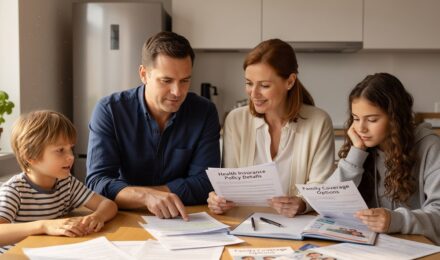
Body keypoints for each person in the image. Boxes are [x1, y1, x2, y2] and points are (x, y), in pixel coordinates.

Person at [86, 31, 221, 220]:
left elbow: (205, 183)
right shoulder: (110, 111)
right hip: (124, 219)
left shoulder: (204, 112)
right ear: (144, 74)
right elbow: (97, 183)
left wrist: (136, 194)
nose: (177, 91)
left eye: (185, 81)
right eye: (166, 81)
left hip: (186, 219)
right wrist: (146, 197)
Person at [207, 39, 335, 217]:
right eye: (249, 83)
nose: (254, 93)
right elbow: (229, 183)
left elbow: (320, 186)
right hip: (242, 225)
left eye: (264, 85)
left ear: (289, 82)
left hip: (295, 227)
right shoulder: (236, 120)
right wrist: (218, 200)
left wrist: (301, 204)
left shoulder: (318, 122)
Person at [328, 72, 440, 245]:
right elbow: (329, 200)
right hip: (373, 247)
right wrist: (356, 153)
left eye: (372, 120)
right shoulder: (364, 147)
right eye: (356, 119)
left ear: (395, 118)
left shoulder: (430, 146)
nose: (361, 128)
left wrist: (395, 220)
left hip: (417, 247)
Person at [0, 110, 117, 253]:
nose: (71, 157)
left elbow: (108, 204)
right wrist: (44, 226)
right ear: (30, 156)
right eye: (60, 150)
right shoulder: (14, 191)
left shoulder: (67, 183)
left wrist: (97, 216)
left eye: (70, 149)